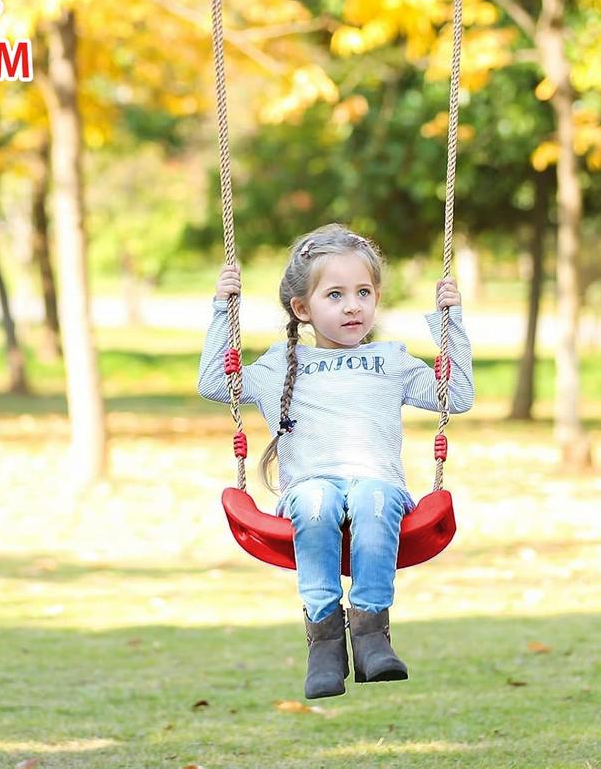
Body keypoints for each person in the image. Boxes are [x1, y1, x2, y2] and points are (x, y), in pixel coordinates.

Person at [197, 223, 474, 699]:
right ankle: (324, 643)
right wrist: (223, 310)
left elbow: (457, 395)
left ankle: (371, 636)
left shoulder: (391, 360)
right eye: (335, 295)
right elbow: (214, 383)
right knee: (317, 500)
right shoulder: (278, 365)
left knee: (372, 498)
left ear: (377, 297)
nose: (352, 306)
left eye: (364, 292)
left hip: (379, 489)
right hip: (310, 490)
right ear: (302, 308)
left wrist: (451, 323)